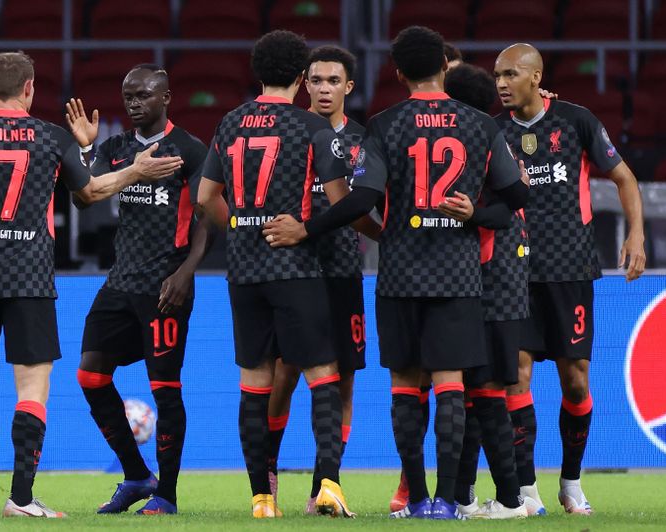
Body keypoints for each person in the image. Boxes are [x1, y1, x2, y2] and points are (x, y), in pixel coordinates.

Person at [262, 25, 529, 520]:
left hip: (401, 274)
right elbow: (517, 198)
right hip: (458, 276)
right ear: (444, 67)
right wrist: (474, 214)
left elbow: (361, 200)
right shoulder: (480, 125)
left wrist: (307, 228)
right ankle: (448, 501)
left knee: (406, 388)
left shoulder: (384, 125)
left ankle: (417, 499)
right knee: (450, 385)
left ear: (399, 72)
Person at [0, 52, 182, 518]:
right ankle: (21, 498)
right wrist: (136, 171)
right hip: (29, 277)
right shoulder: (50, 137)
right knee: (31, 387)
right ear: (29, 88)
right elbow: (91, 192)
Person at [196, 30, 360, 519]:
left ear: (258, 71)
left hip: (244, 272)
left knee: (254, 383)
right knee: (323, 375)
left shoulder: (229, 122)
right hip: (296, 268)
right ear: (300, 76)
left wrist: (242, 228)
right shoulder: (312, 126)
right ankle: (327, 485)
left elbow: (204, 197)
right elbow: (341, 204)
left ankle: (262, 500)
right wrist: (302, 230)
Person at [493, 42, 646, 515]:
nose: (501, 83)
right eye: (497, 75)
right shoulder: (493, 131)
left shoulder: (577, 121)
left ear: (536, 77)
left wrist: (636, 234)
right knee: (516, 377)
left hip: (569, 270)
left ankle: (571, 482)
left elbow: (624, 178)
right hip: (513, 272)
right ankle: (526, 491)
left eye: (511, 74)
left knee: (575, 381)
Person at [69, 64, 211, 516]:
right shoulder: (115, 149)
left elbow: (207, 218)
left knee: (165, 389)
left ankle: (166, 493)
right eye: (128, 95)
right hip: (121, 282)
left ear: (165, 97)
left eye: (143, 95)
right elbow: (82, 196)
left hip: (165, 286)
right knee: (90, 375)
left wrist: (187, 271)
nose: (133, 102)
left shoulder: (189, 149)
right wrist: (86, 148)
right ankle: (136, 475)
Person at [265, 45, 371, 515]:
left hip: (344, 271)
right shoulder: (288, 131)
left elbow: (365, 206)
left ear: (348, 87)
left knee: (342, 380)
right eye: (316, 80)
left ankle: (325, 485)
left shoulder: (363, 143)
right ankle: (267, 471)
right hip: (293, 271)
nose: (324, 89)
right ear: (303, 83)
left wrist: (389, 237)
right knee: (284, 374)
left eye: (333, 81)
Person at [439, 62, 529, 519]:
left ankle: (509, 499)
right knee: (476, 396)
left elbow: (505, 213)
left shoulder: (482, 145)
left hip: (488, 283)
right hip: (489, 283)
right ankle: (467, 496)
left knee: (484, 395)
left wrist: (472, 215)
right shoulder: (486, 142)